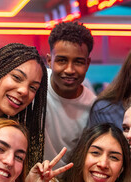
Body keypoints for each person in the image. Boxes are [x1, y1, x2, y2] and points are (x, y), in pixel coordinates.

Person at [44, 21, 96, 168]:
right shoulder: (33, 86)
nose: (69, 70)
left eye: (78, 62)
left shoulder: (93, 107)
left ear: (87, 64)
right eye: (62, 60)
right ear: (49, 60)